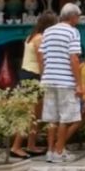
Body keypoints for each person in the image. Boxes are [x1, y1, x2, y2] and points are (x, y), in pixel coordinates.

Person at [10, 12, 57, 159]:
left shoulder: (31, 36)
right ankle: (16, 146)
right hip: (33, 75)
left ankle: (31, 145)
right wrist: (45, 78)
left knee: (36, 114)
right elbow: (41, 60)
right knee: (30, 114)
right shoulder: (40, 38)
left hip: (27, 73)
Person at [40, 3, 83, 164]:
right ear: (72, 17)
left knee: (52, 118)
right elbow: (74, 59)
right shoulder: (73, 32)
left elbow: (42, 56)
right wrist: (79, 84)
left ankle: (50, 151)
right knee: (66, 117)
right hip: (65, 80)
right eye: (78, 16)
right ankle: (59, 152)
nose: (78, 20)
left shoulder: (48, 31)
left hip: (49, 78)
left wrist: (44, 75)